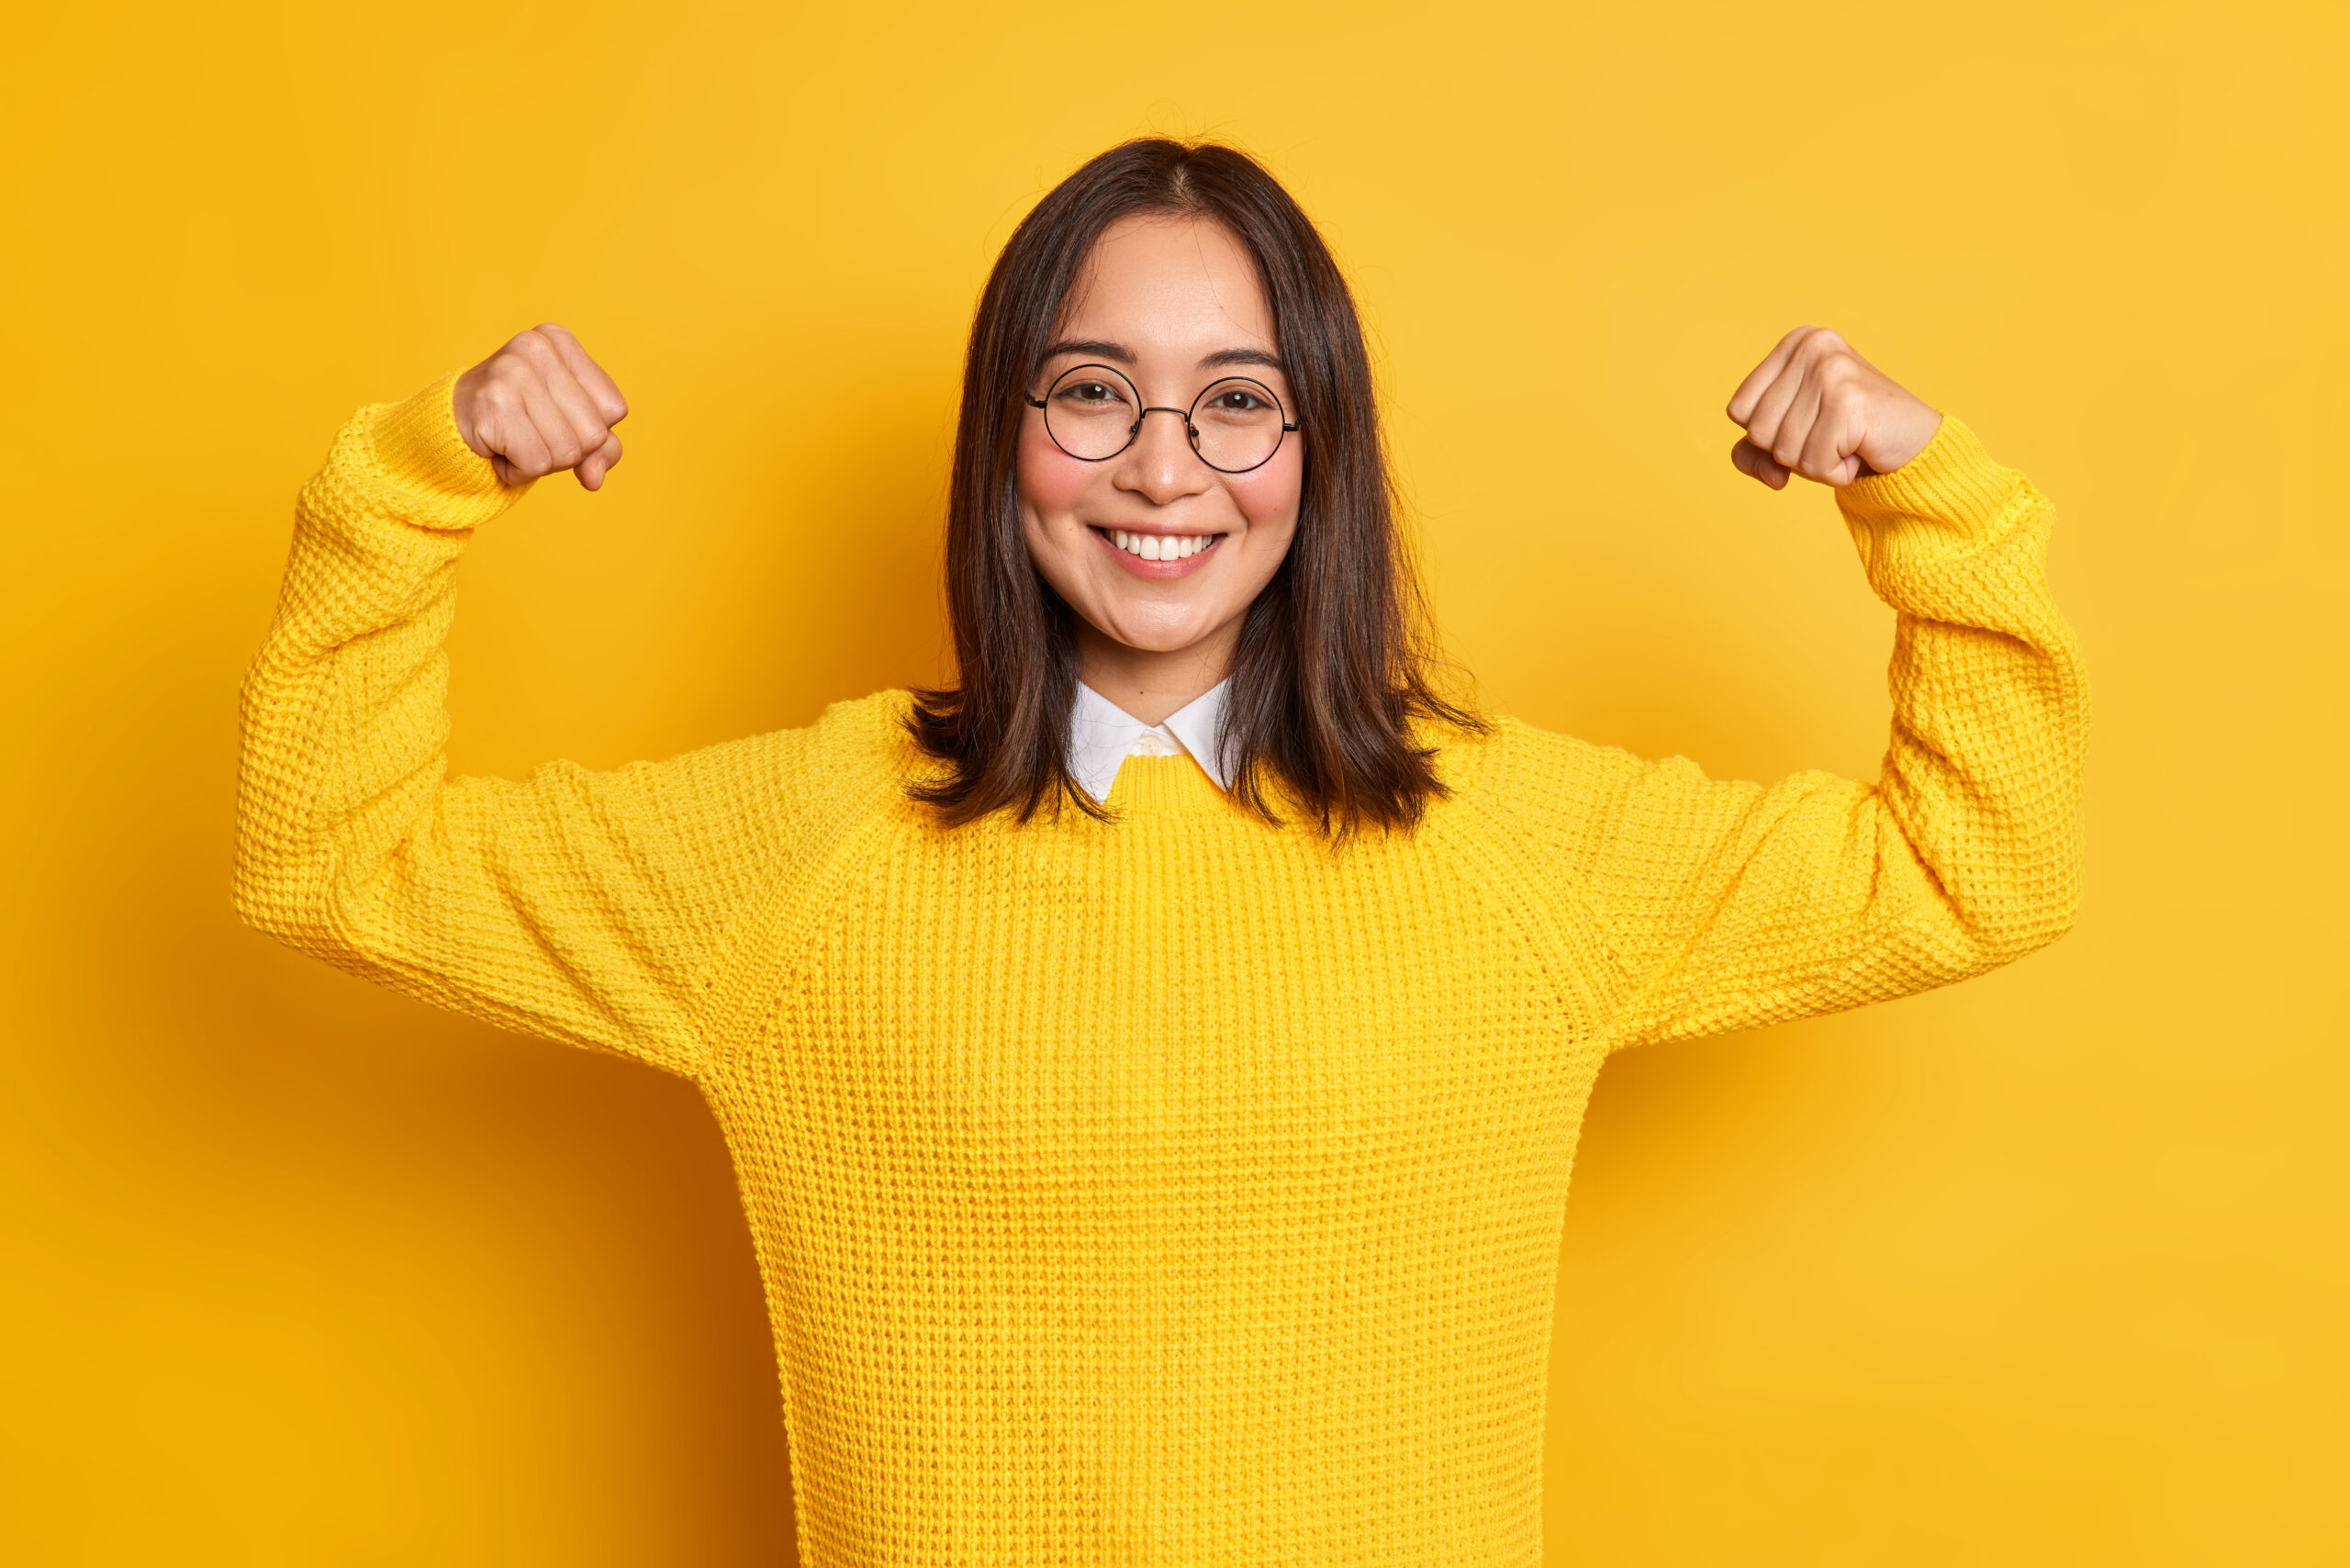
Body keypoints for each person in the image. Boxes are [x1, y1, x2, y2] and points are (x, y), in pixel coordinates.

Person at [235, 139, 2086, 1563]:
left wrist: (1924, 494)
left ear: (1314, 445)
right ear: (1007, 438)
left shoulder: (1511, 841)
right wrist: (415, 486)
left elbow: (1968, 865)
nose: (1160, 465)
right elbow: (330, 857)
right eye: (1090, 388)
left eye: (1235, 398)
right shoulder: (795, 848)